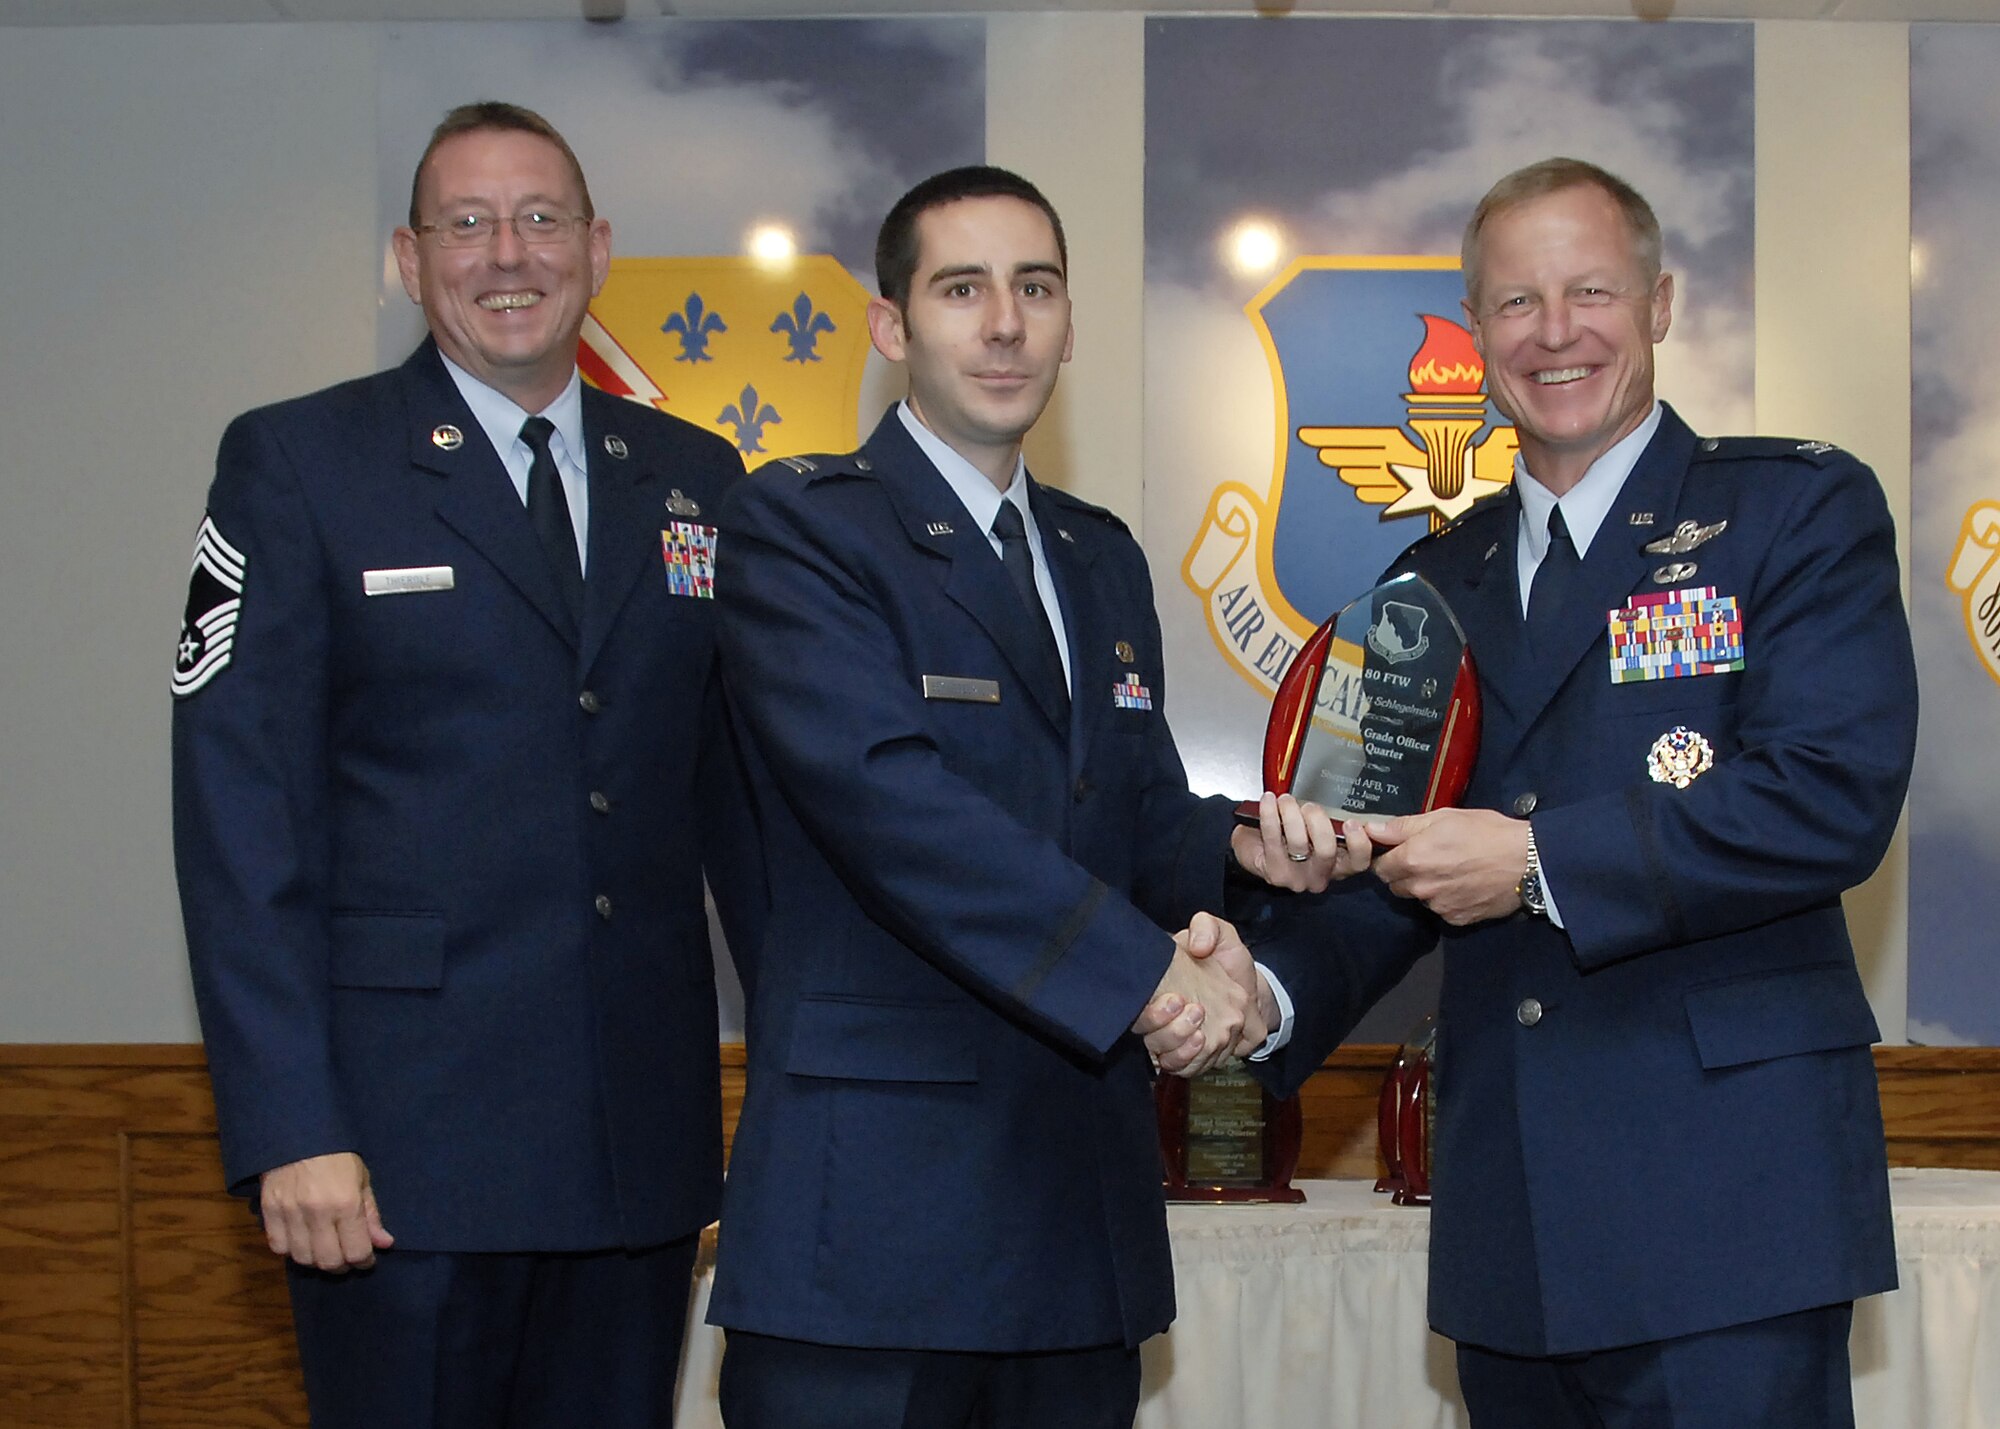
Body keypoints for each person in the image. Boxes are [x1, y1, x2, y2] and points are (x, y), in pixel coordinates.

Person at [1167, 157, 1919, 1428]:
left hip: (1728, 1204)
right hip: (1509, 1204)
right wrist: (1267, 989)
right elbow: (1387, 864)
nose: (1555, 330)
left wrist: (1531, 862)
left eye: (1590, 290)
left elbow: (1828, 796)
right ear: (1475, 335)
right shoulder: (1424, 587)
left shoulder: (1791, 507)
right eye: (1515, 303)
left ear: (1660, 303)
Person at [706, 165, 1337, 1429]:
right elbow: (898, 810)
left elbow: (1134, 812)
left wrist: (1250, 851)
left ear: (1064, 319)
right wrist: (1157, 979)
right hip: (869, 1231)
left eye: (1033, 287)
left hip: (1069, 1221)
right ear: (892, 326)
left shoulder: (1097, 557)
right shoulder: (801, 526)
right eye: (961, 288)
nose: (1004, 322)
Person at [171, 101, 761, 1428]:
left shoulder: (693, 478)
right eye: (469, 223)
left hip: (635, 1154)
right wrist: (288, 1125)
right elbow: (239, 821)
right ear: (408, 255)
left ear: (598, 248)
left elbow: (744, 808)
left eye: (542, 218)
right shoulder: (300, 463)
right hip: (395, 1160)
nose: (511, 253)